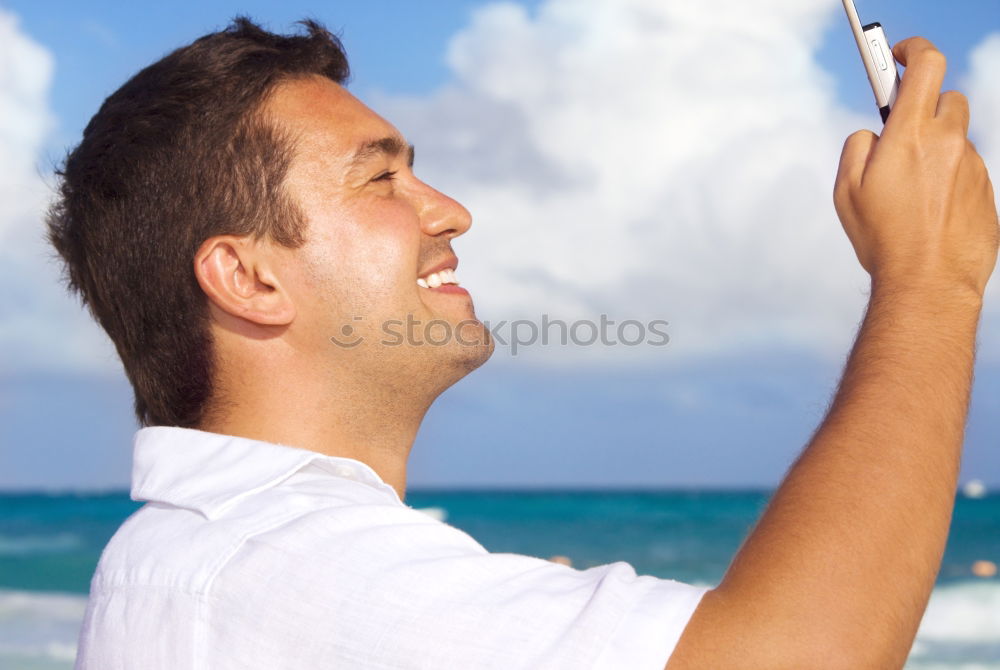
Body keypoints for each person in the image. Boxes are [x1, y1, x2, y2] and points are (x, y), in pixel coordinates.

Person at [48, 16, 997, 670]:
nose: (450, 211)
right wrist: (930, 281)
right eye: (379, 181)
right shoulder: (294, 569)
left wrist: (487, 609)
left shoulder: (184, 553)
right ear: (248, 277)